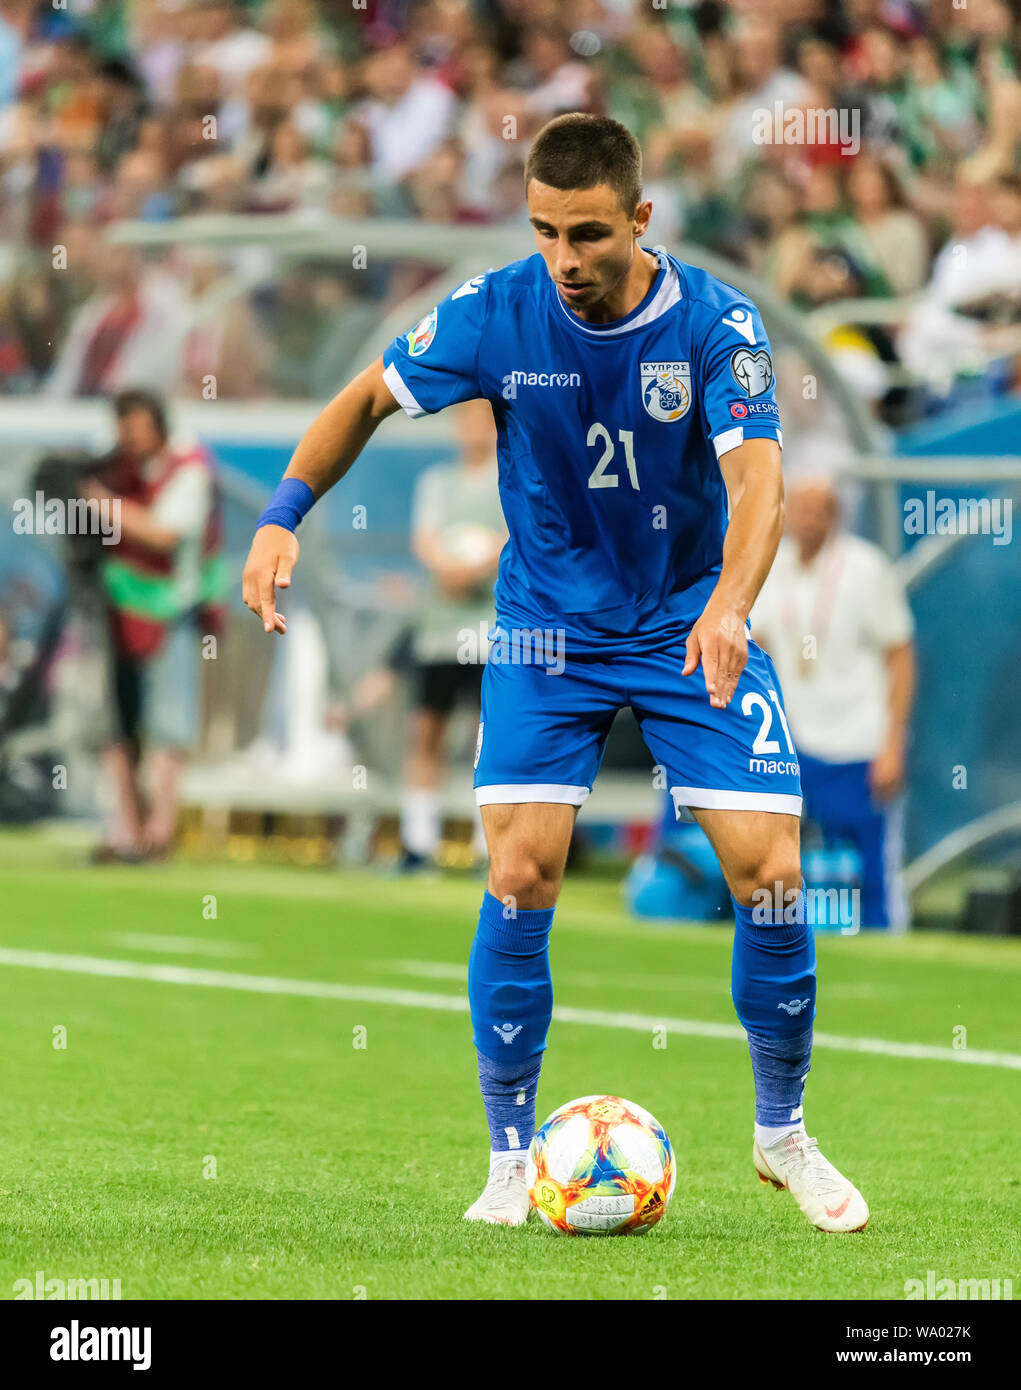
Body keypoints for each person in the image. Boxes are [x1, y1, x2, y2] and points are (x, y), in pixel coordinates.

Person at [243, 114, 868, 1235]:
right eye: (545, 233)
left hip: (684, 618)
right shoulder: (494, 311)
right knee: (522, 869)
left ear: (640, 218)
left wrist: (728, 605)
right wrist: (282, 515)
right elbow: (364, 399)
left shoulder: (720, 327)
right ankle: (502, 1153)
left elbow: (761, 482)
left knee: (770, 869)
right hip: (546, 628)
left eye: (586, 234)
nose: (565, 258)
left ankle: (782, 1132)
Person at [750, 477, 916, 931]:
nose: (806, 520)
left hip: (858, 740)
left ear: (835, 516)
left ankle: (889, 944)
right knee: (789, 865)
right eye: (798, 509)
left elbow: (900, 655)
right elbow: (757, 647)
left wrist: (892, 743)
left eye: (816, 510)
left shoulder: (866, 568)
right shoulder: (773, 566)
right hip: (795, 743)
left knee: (874, 867)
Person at [89, 389, 224, 861]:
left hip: (172, 608)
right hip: (118, 609)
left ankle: (158, 832)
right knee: (114, 725)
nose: (129, 437)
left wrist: (101, 504)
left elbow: (166, 533)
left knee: (170, 725)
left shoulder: (188, 466)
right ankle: (127, 827)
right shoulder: (116, 466)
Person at [401, 397, 507, 870]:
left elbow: (516, 537)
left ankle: (490, 847)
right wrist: (448, 567)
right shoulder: (436, 483)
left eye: (482, 421)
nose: (473, 430)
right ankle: (419, 843)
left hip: (492, 630)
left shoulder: (511, 480)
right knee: (426, 732)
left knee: (489, 735)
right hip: (440, 631)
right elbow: (424, 539)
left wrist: (477, 568)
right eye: (466, 421)